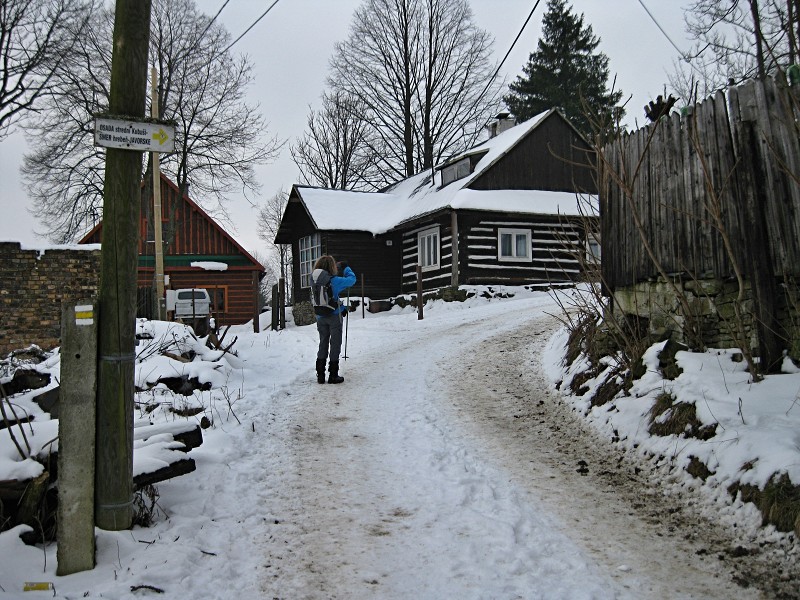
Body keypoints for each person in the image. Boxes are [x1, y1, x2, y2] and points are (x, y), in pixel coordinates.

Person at [311, 255, 356, 384]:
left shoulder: (313, 280)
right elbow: (352, 280)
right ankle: (333, 375)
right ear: (331, 267)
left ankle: (320, 375)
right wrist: (346, 268)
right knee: (335, 344)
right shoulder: (334, 280)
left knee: (323, 343)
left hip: (320, 316)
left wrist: (341, 308)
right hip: (334, 317)